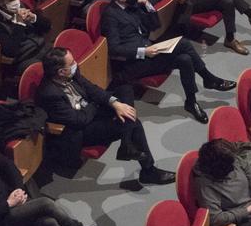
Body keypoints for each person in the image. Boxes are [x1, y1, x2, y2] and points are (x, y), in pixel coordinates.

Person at [100, 0, 234, 122]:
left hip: (148, 50)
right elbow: (114, 49)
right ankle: (209, 79)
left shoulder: (133, 5)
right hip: (131, 64)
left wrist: (146, 4)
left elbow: (155, 24)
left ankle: (191, 102)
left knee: (185, 59)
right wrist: (143, 51)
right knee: (184, 44)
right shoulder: (111, 15)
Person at [35, 46, 174, 183]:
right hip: (79, 131)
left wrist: (115, 103)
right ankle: (147, 169)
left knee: (125, 90)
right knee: (133, 121)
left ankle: (127, 145)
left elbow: (92, 89)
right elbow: (79, 120)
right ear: (61, 72)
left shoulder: (72, 73)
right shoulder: (49, 94)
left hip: (89, 111)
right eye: (71, 64)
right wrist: (96, 104)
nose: (75, 64)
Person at [0, 0, 52, 73]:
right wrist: (19, 24)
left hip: (42, 47)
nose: (16, 2)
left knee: (66, 60)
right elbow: (11, 51)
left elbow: (47, 27)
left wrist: (34, 18)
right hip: (23, 59)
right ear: (0, 3)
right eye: (11, 0)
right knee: (52, 69)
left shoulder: (21, 5)